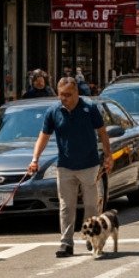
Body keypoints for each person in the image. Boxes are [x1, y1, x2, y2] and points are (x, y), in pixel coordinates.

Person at [26, 76, 112, 258]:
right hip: (65, 166)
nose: (64, 98)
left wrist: (108, 155)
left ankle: (91, 238)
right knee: (66, 206)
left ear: (76, 93)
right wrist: (35, 159)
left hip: (89, 165)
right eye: (61, 94)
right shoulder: (53, 111)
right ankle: (66, 244)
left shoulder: (89, 108)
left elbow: (103, 133)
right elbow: (43, 137)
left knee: (90, 205)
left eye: (68, 94)